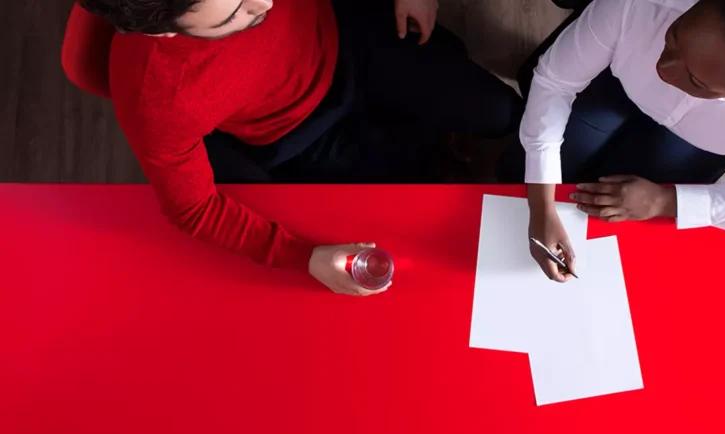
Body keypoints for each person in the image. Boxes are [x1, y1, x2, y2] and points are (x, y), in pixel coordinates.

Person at [76, 0, 524, 295]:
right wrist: (301, 258)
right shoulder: (156, 95)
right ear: (163, 33)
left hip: (348, 31)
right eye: (233, 14)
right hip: (301, 135)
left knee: (501, 112)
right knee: (420, 201)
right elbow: (194, 210)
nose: (266, 3)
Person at [498, 0, 725, 282]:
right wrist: (541, 205)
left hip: (699, 143)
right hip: (615, 84)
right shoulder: (639, 5)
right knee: (519, 173)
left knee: (616, 225)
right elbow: (555, 82)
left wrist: (666, 201)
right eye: (674, 37)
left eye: (698, 80)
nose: (663, 69)